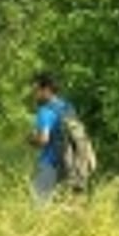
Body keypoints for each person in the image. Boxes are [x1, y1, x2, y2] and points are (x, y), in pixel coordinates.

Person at [27, 72, 69, 204]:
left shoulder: (45, 111)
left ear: (46, 89)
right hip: (70, 163)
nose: (34, 94)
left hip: (50, 164)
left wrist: (30, 139)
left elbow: (43, 140)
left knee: (39, 205)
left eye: (36, 90)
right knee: (65, 205)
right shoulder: (67, 107)